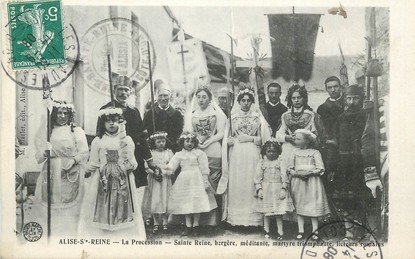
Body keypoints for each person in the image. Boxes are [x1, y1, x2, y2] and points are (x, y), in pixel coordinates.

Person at [78, 107, 145, 238]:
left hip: (122, 179)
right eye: (108, 121)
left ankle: (122, 234)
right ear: (103, 124)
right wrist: (89, 168)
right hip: (102, 179)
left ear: (121, 122)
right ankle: (102, 234)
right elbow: (93, 161)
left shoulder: (126, 140)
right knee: (101, 204)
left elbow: (133, 162)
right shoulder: (99, 140)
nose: (112, 124)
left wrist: (129, 165)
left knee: (122, 205)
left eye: (115, 121)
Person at [331, 85, 383, 241]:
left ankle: (371, 232)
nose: (351, 101)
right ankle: (350, 233)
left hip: (363, 162)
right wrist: (333, 164)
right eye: (348, 98)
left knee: (368, 198)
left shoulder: (368, 115)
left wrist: (372, 108)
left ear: (362, 98)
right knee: (346, 200)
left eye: (355, 98)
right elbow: (334, 141)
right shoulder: (341, 118)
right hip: (344, 163)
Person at [98, 76, 158, 205]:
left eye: (126, 90)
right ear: (114, 90)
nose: (123, 93)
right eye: (120, 89)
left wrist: (149, 159)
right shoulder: (106, 110)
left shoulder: (134, 111)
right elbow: (100, 135)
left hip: (133, 157)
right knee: (115, 191)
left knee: (132, 190)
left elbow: (142, 137)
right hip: (113, 157)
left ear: (130, 92)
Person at [34, 100, 89, 236]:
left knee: (70, 206)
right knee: (50, 203)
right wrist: (45, 152)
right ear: (54, 114)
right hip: (51, 170)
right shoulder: (47, 131)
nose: (62, 116)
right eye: (59, 113)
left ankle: (69, 234)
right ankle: (51, 234)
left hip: (71, 171)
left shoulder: (76, 131)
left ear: (70, 115)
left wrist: (74, 160)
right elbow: (39, 155)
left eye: (66, 113)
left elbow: (84, 152)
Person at [219, 87, 271, 226]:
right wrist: (229, 141)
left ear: (252, 102)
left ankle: (254, 219)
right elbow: (226, 138)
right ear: (239, 101)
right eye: (243, 100)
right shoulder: (232, 118)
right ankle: (237, 219)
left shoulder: (258, 117)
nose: (246, 103)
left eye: (249, 100)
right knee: (238, 182)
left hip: (253, 152)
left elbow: (264, 139)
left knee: (251, 180)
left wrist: (251, 139)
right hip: (236, 154)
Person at [184, 86, 227, 225]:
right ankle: (200, 220)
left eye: (204, 97)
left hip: (213, 148)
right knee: (198, 182)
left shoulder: (218, 114)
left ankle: (214, 219)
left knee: (212, 182)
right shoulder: (192, 114)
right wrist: (197, 142)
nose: (201, 100)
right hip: (197, 149)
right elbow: (189, 132)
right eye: (199, 97)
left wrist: (209, 141)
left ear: (210, 99)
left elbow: (221, 132)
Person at [166, 132, 217, 236]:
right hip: (184, 179)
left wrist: (205, 180)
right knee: (186, 202)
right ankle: (188, 225)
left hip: (196, 179)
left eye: (192, 141)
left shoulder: (199, 153)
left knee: (196, 201)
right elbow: (171, 167)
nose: (189, 143)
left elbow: (204, 168)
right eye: (187, 141)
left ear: (195, 143)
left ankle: (196, 225)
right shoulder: (179, 154)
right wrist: (161, 169)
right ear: (182, 142)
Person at [288, 129, 330, 240]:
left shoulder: (315, 153)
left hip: (312, 182)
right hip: (298, 182)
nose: (295, 141)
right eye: (295, 138)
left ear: (306, 141)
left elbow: (321, 168)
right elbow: (289, 168)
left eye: (298, 139)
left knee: (313, 205)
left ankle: (315, 231)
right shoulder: (294, 152)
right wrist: (297, 174)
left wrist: (310, 173)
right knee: (299, 205)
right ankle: (300, 230)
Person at [276, 84, 324, 175]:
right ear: (290, 99)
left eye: (299, 97)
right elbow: (278, 135)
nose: (296, 100)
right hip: (288, 149)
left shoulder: (311, 115)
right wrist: (287, 138)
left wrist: (305, 138)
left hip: (306, 150)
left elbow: (315, 135)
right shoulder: (285, 115)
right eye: (293, 98)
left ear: (304, 98)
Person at [254, 140, 294, 239]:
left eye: (274, 151)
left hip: (277, 188)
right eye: (269, 151)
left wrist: (283, 189)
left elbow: (284, 176)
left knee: (278, 213)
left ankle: (280, 232)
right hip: (266, 189)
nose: (271, 153)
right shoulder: (262, 162)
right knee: (266, 212)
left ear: (278, 152)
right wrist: (259, 189)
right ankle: (266, 230)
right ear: (264, 152)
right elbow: (257, 177)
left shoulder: (280, 162)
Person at [143, 132, 174, 234]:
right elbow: (146, 167)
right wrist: (154, 173)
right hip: (154, 181)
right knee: (155, 200)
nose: (161, 143)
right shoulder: (150, 153)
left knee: (165, 199)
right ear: (153, 142)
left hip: (165, 180)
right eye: (158, 141)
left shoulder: (168, 153)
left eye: (163, 141)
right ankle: (156, 223)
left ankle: (165, 222)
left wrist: (164, 172)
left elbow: (172, 166)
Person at [317, 76, 344, 188]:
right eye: (330, 87)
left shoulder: (347, 105)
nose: (333, 90)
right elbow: (320, 128)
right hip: (330, 145)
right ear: (326, 89)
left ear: (341, 87)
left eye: (336, 86)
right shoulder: (322, 108)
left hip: (346, 144)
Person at [143, 82, 184, 153]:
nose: (163, 99)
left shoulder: (177, 114)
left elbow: (179, 133)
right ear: (156, 97)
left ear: (170, 97)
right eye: (160, 96)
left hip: (172, 149)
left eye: (165, 96)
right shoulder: (150, 113)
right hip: (154, 149)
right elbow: (144, 131)